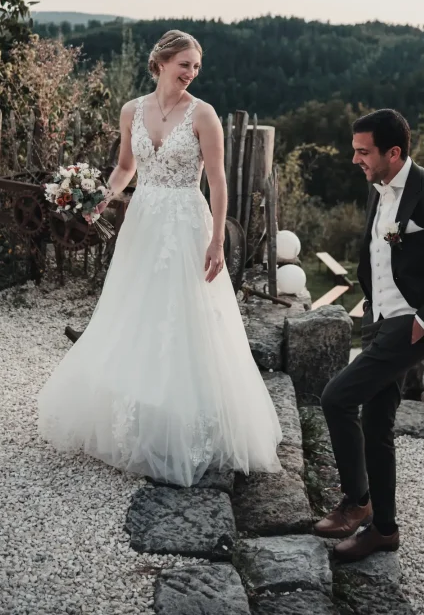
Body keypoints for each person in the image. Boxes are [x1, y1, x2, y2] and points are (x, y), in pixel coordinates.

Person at [38, 30, 282, 486]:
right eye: (184, 64)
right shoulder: (132, 109)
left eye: (196, 67)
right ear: (161, 63)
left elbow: (219, 183)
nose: (190, 73)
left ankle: (185, 420)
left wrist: (215, 243)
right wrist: (97, 198)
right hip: (144, 219)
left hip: (187, 222)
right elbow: (126, 167)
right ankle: (132, 415)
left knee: (183, 315)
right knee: (135, 310)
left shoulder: (203, 115)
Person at [314, 109, 424, 561]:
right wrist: (372, 310)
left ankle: (357, 501)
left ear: (394, 152)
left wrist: (422, 324)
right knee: (376, 422)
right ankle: (383, 530)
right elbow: (377, 258)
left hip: (411, 324)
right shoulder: (378, 189)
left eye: (362, 152)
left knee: (337, 397)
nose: (355, 160)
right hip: (380, 319)